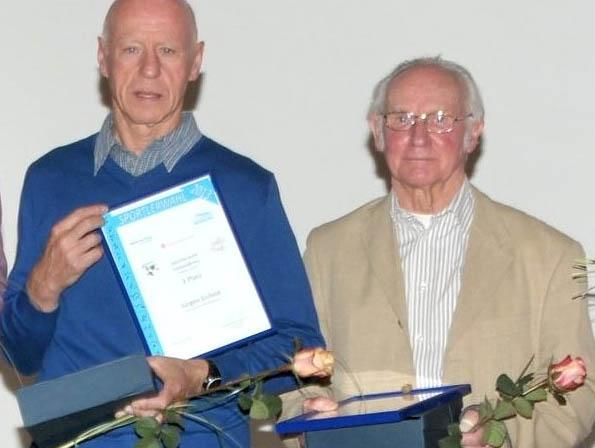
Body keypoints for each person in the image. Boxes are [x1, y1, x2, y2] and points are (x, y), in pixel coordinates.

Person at [0, 0, 323, 446]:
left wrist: (205, 374)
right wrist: (42, 288)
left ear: (195, 62)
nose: (149, 69)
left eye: (168, 51)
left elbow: (300, 349)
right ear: (103, 57)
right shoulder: (50, 179)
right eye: (131, 49)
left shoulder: (247, 187)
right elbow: (20, 355)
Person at [287, 57, 595, 447]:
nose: (418, 137)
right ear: (377, 131)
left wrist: (500, 437)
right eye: (401, 119)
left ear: (474, 132)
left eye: (440, 119)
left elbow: (580, 394)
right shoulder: (327, 251)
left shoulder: (549, 256)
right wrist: (307, 416)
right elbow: (293, 384)